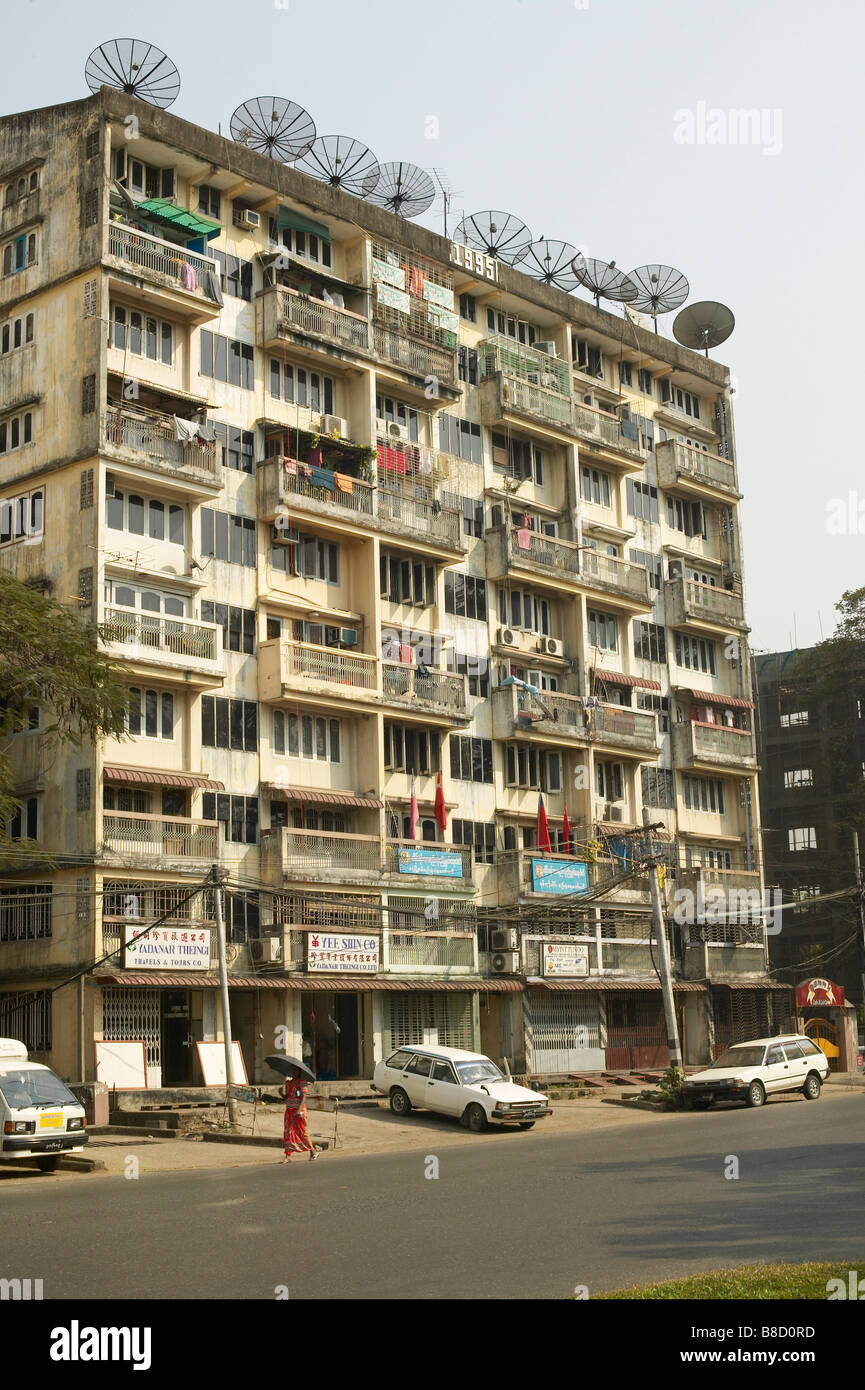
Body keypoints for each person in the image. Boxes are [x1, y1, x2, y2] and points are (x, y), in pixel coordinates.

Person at [282, 1067, 317, 1163]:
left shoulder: (302, 1082)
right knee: (288, 1132)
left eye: (295, 1071)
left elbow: (304, 1096)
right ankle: (288, 1155)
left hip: (299, 1111)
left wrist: (299, 1110)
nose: (293, 1072)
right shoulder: (288, 1083)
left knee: (302, 1132)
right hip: (289, 1110)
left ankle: (312, 1150)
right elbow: (287, 1097)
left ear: (299, 1072)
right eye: (292, 1070)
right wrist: (281, 1093)